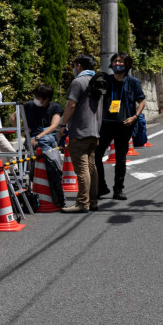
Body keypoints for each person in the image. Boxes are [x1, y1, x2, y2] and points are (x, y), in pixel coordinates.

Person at [95, 53, 145, 201]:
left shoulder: (133, 82)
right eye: (115, 61)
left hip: (125, 125)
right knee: (97, 155)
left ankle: (118, 189)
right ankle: (101, 186)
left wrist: (135, 117)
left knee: (120, 158)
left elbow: (141, 101)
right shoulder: (106, 80)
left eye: (121, 61)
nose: (118, 63)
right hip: (106, 124)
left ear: (127, 64)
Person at [59, 54, 104, 213]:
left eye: (75, 65)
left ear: (78, 65)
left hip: (80, 131)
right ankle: (93, 201)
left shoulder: (78, 82)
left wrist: (63, 124)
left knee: (82, 168)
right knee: (92, 167)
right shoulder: (97, 81)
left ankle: (82, 203)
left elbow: (71, 104)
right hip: (94, 131)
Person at [18, 84, 65, 208]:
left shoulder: (55, 107)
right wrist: (24, 131)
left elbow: (54, 126)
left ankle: (56, 194)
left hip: (46, 138)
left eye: (39, 98)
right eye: (36, 97)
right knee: (36, 167)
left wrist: (38, 137)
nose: (36, 100)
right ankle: (44, 192)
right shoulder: (28, 106)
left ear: (47, 99)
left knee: (45, 147)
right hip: (33, 138)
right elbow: (14, 118)